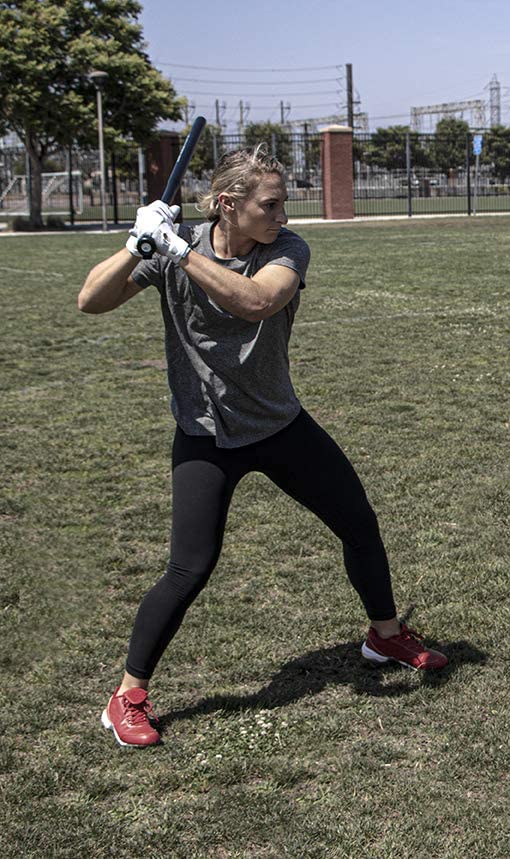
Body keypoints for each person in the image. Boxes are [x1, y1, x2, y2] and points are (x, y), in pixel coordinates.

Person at [79, 145, 447, 749]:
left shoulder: (285, 250)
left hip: (279, 424)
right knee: (188, 568)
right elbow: (90, 301)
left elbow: (254, 303)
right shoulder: (178, 244)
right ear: (229, 205)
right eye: (270, 204)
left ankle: (384, 635)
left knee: (357, 522)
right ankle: (127, 697)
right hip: (206, 433)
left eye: (283, 203)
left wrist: (176, 251)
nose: (283, 214)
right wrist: (135, 245)